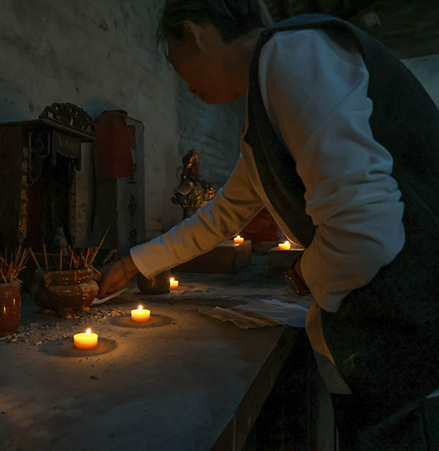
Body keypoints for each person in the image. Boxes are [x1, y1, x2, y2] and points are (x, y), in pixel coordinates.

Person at [97, 0, 439, 449]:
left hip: (409, 336)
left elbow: (365, 231)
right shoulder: (263, 111)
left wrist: (305, 273)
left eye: (177, 65)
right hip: (386, 338)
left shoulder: (293, 56)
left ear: (195, 35)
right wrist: (135, 263)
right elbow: (222, 214)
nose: (184, 84)